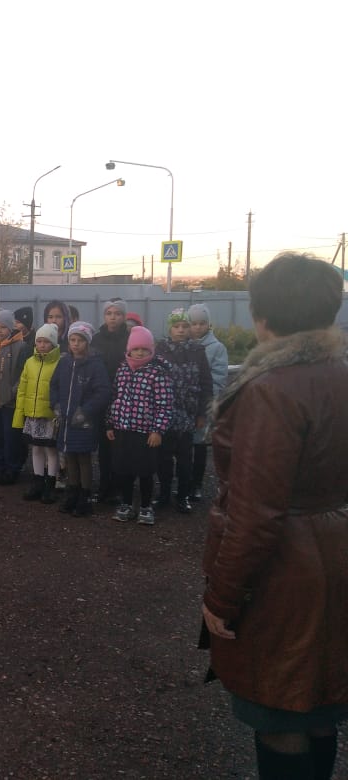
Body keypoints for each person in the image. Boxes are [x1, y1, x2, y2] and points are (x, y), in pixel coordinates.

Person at [200, 252, 348, 780]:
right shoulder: (339, 374)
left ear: (262, 317)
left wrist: (221, 598)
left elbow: (255, 514)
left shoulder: (269, 389)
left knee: (281, 710)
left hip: (286, 573)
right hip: (336, 555)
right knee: (319, 702)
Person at [104, 326, 174, 526]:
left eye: (144, 349)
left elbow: (165, 405)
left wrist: (157, 430)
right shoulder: (122, 370)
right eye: (136, 349)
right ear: (129, 350)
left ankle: (145, 506)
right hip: (123, 429)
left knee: (145, 471)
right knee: (124, 470)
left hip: (145, 433)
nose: (140, 353)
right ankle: (126, 504)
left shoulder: (158, 373)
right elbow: (114, 398)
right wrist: (110, 423)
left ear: (151, 350)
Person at [154, 308, 213, 514]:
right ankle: (163, 494)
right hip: (165, 414)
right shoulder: (160, 350)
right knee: (163, 458)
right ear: (169, 329)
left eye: (185, 326)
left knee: (185, 460)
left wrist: (202, 413)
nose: (180, 330)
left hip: (188, 414)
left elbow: (206, 383)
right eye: (176, 326)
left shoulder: (198, 351)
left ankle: (183, 495)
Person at [50, 321, 111, 516]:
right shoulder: (64, 362)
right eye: (72, 340)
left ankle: (85, 497)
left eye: (80, 340)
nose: (76, 344)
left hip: (84, 421)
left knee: (83, 458)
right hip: (67, 420)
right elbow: (54, 385)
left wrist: (86, 411)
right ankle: (72, 492)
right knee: (69, 456)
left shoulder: (95, 365)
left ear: (88, 342)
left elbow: (103, 392)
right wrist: (55, 404)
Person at [13, 324, 62, 503]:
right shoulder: (30, 362)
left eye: (46, 342)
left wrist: (58, 411)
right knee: (36, 448)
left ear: (53, 344)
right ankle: (37, 481)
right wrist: (20, 413)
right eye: (39, 341)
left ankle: (51, 484)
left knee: (51, 450)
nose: (42, 345)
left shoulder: (59, 363)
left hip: (49, 415)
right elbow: (22, 389)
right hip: (32, 414)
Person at [187, 303, 229, 501]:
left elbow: (218, 378)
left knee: (199, 446)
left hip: (202, 404)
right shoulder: (183, 345)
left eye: (202, 323)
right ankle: (184, 482)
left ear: (208, 324)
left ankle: (196, 484)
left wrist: (207, 400)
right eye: (193, 323)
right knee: (183, 446)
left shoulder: (216, 348)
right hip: (184, 404)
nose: (197, 327)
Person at [0, 311, 30, 485]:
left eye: (3, 327)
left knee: (11, 437)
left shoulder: (21, 347)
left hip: (10, 402)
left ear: (10, 328)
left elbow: (23, 374)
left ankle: (12, 468)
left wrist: (13, 392)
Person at [92, 298, 132, 504]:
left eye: (117, 313)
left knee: (121, 445)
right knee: (103, 445)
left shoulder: (130, 338)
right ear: (104, 316)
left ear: (124, 316)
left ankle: (119, 487)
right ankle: (104, 485)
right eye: (109, 313)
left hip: (124, 398)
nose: (113, 317)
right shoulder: (96, 339)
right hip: (101, 397)